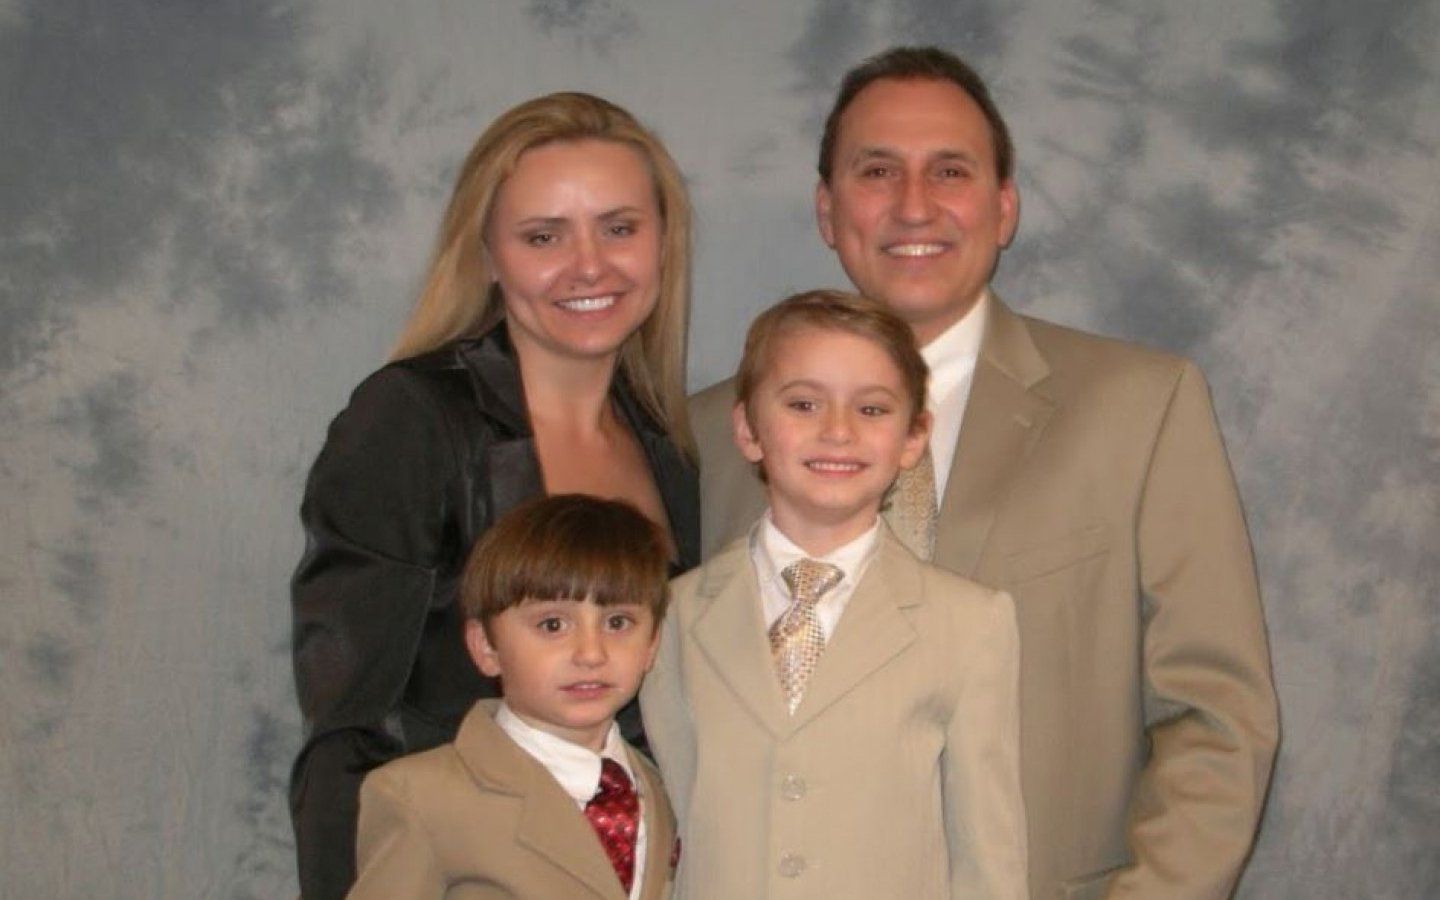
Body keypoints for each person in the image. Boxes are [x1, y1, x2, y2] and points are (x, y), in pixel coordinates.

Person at [689, 48, 1279, 899]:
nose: (913, 204)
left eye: (951, 171)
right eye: (877, 171)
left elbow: (1217, 719)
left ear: (1004, 207)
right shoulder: (710, 433)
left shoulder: (1140, 409)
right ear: (827, 210)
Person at [290, 92, 699, 900]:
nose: (589, 265)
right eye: (544, 236)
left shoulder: (671, 450)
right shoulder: (410, 418)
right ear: (486, 255)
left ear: (663, 242)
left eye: (620, 228)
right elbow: (349, 731)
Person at [643, 290, 1028, 898]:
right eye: (803, 404)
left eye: (872, 409)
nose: (838, 431)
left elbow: (988, 859)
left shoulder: (971, 624)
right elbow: (667, 829)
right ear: (747, 429)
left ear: (913, 437)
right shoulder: (672, 615)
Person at [348, 495, 678, 899]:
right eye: (553, 625)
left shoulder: (661, 789)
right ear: (486, 646)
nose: (591, 653)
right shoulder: (420, 798)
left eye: (617, 622)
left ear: (652, 643)